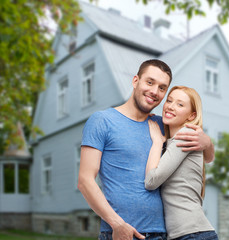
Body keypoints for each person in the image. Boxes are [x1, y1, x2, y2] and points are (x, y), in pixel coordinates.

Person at [78, 59, 215, 240]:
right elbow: (85, 180)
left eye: (162, 88)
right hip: (121, 233)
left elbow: (206, 158)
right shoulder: (102, 121)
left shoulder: (162, 124)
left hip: (163, 234)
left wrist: (207, 142)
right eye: (150, 82)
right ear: (136, 81)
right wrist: (117, 224)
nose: (154, 91)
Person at [145, 86, 218, 240]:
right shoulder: (174, 140)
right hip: (187, 233)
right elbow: (209, 158)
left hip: (192, 234)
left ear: (191, 116)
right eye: (169, 100)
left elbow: (151, 181)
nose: (170, 106)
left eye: (180, 104)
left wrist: (157, 142)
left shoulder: (186, 135)